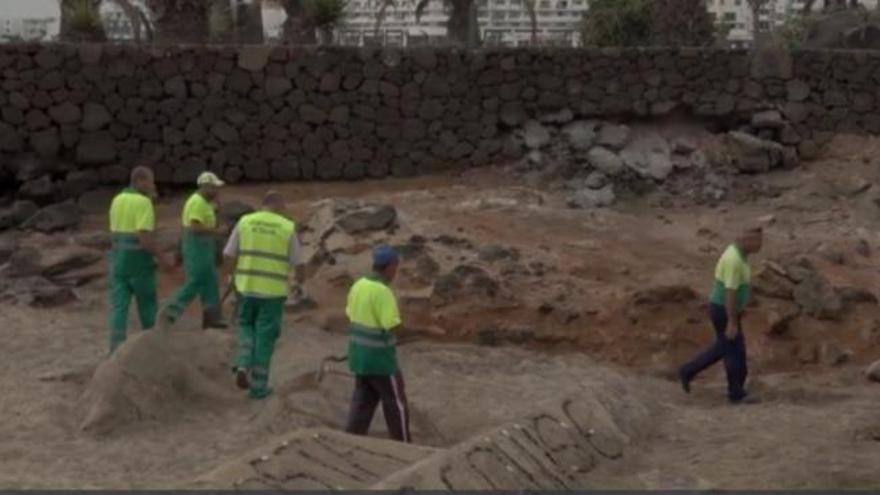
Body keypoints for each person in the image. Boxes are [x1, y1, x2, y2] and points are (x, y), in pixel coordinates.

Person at [225, 190, 303, 399]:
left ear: (263, 204)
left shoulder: (245, 222)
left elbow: (228, 254)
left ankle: (242, 363)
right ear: (280, 206)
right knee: (265, 337)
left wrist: (230, 277)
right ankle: (258, 387)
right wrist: (298, 282)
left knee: (245, 325)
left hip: (246, 288)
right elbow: (298, 263)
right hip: (272, 293)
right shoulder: (286, 227)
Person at [679, 227, 764, 404]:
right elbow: (730, 292)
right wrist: (732, 322)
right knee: (734, 353)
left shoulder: (739, 255)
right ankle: (736, 394)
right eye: (757, 241)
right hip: (723, 310)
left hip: (726, 309)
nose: (760, 245)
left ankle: (688, 371)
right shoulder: (734, 260)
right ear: (745, 239)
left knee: (726, 348)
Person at [344, 245, 411, 443]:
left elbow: (350, 313)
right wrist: (425, 331)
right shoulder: (383, 292)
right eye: (396, 267)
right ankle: (404, 446)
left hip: (359, 357)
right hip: (381, 361)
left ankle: (351, 441)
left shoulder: (359, 285)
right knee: (396, 404)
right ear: (390, 267)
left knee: (362, 402)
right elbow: (391, 326)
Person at [159, 172, 228, 329]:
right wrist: (217, 232)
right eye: (214, 187)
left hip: (205, 246)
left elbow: (212, 212)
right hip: (197, 246)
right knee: (196, 281)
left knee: (210, 281)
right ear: (205, 186)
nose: (217, 190)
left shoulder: (205, 202)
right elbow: (195, 227)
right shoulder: (197, 202)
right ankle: (170, 312)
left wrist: (216, 204)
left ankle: (213, 319)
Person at [107, 166, 165, 353]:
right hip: (139, 262)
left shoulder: (117, 200)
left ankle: (116, 350)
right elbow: (145, 238)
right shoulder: (143, 203)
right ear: (140, 181)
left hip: (117, 261)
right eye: (150, 181)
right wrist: (162, 258)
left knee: (119, 308)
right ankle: (153, 348)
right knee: (148, 306)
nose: (153, 185)